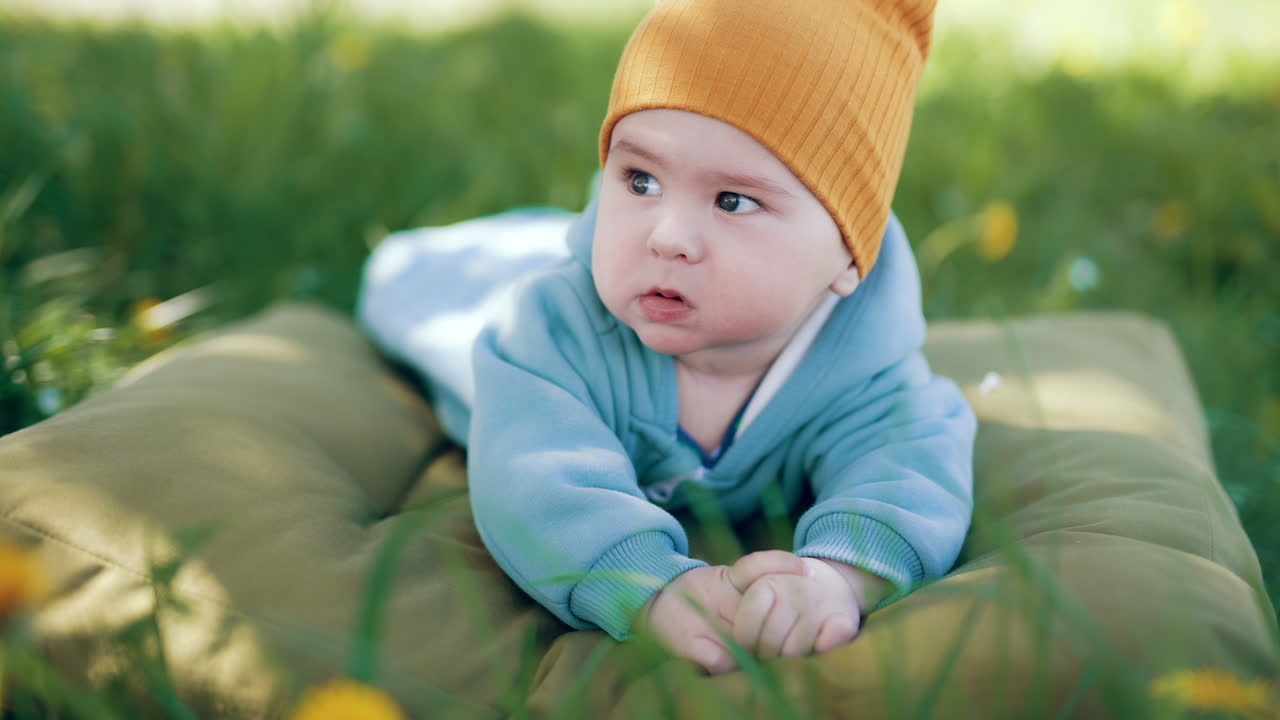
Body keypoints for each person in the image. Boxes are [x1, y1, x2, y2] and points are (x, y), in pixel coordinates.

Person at [358, 0, 974, 676]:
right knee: (438, 295)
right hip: (492, 316)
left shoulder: (861, 367)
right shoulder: (554, 332)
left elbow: (912, 465)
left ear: (849, 256)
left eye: (733, 200)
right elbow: (534, 474)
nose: (668, 236)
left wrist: (839, 575)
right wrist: (648, 585)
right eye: (639, 180)